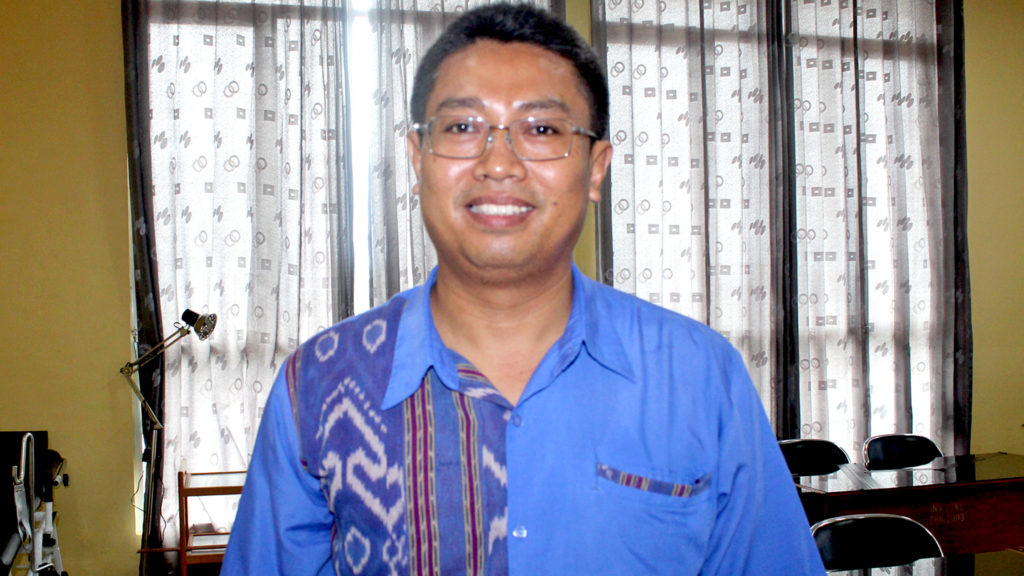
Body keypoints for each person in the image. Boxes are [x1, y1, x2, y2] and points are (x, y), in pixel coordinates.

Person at [221, 3, 826, 575]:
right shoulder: (319, 382)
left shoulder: (700, 376)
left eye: (541, 128)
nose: (499, 163)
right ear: (417, 158)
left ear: (595, 169)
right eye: (463, 126)